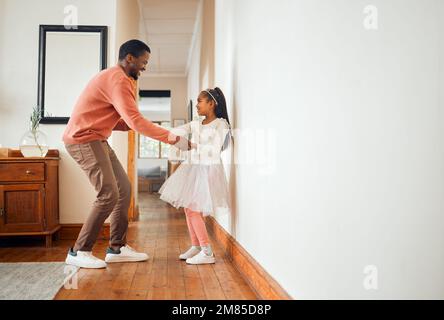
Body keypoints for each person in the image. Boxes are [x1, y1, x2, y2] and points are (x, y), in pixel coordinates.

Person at [62, 39, 192, 269]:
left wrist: (138, 124)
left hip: (97, 138)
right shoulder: (118, 79)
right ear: (129, 58)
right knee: (108, 193)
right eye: (144, 62)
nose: (145, 66)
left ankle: (117, 248)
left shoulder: (120, 79)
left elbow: (124, 121)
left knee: (124, 188)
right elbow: (135, 121)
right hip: (84, 139)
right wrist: (173, 137)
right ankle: (78, 251)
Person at [159, 87, 232, 264]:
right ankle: (197, 246)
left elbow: (215, 150)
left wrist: (192, 145)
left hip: (208, 170)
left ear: (211, 103)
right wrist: (159, 131)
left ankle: (207, 252)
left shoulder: (221, 124)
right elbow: (176, 131)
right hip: (194, 168)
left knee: (193, 209)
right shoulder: (196, 124)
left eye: (200, 101)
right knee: (188, 208)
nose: (197, 105)